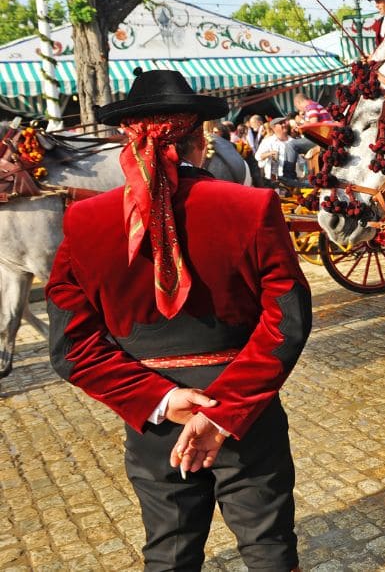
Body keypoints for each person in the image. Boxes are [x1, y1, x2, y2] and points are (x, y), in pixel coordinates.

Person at [46, 70, 311, 571]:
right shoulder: (252, 206)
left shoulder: (83, 221)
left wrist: (162, 401)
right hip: (244, 411)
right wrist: (222, 411)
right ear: (199, 139)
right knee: (269, 547)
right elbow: (288, 320)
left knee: (168, 552)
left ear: (129, 138)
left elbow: (70, 348)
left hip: (153, 418)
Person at [255, 118, 299, 184]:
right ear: (273, 127)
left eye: (284, 122)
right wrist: (269, 154)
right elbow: (257, 156)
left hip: (291, 179)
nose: (284, 125)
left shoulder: (293, 142)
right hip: (273, 180)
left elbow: (301, 161)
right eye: (281, 123)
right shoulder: (267, 141)